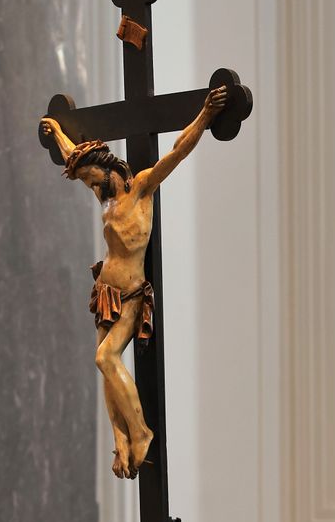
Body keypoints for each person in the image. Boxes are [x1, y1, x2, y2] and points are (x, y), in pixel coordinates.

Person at [40, 86, 227, 479]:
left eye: (94, 180)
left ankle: (141, 432)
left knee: (105, 357)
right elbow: (75, 155)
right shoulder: (104, 198)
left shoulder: (141, 188)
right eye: (89, 183)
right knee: (106, 368)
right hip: (104, 291)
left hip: (130, 295)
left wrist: (206, 116)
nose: (92, 187)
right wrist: (55, 130)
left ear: (109, 170)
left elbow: (177, 151)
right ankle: (121, 440)